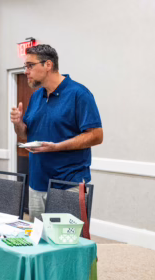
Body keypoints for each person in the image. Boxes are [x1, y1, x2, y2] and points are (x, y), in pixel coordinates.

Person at [10, 44, 103, 222]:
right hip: (37, 184)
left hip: (68, 184)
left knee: (66, 244)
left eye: (30, 66)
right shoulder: (37, 96)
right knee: (40, 244)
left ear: (48, 65)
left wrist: (57, 147)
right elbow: (24, 135)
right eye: (25, 67)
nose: (26, 71)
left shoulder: (79, 94)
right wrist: (18, 123)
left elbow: (97, 135)